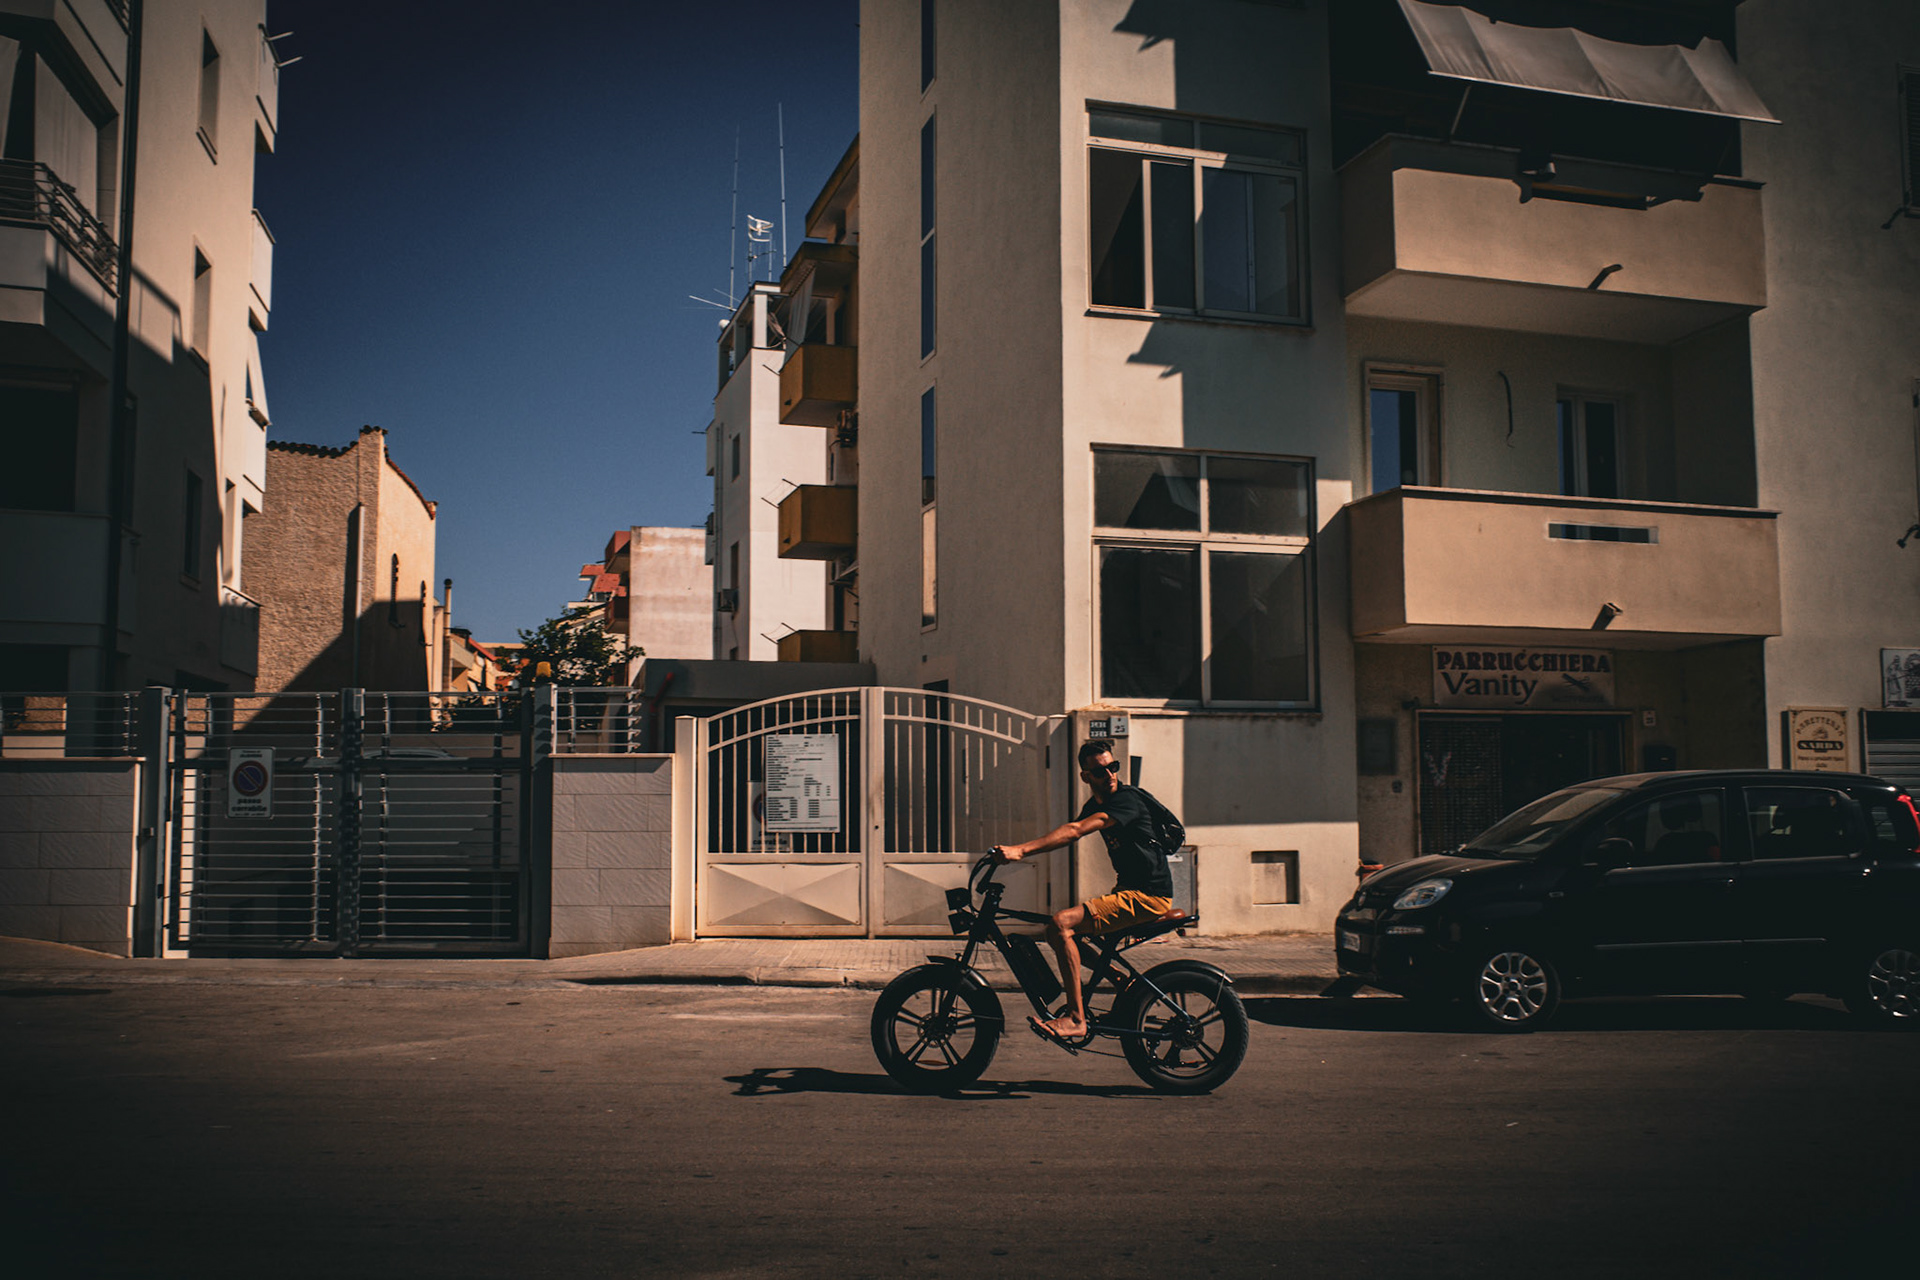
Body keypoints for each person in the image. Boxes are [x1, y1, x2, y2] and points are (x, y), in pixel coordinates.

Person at [990, 739, 1175, 1040]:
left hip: (1148, 896)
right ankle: (1120, 980)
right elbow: (1066, 834)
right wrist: (1017, 854)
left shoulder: (1126, 800)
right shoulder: (1097, 804)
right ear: (1086, 776)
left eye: (1113, 767)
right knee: (1055, 932)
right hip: (1128, 890)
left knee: (1061, 924)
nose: (1110, 775)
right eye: (1101, 771)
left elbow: (1075, 831)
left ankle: (1076, 1019)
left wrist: (1020, 852)